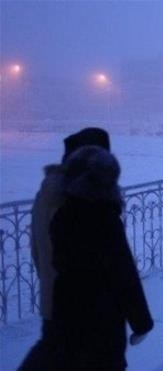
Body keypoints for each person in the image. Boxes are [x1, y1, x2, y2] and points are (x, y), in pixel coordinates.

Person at [48, 144, 153, 370]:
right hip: (103, 320)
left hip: (67, 316)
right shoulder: (105, 220)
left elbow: (57, 263)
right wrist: (141, 322)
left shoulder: (62, 216)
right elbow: (124, 274)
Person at [20, 127, 112, 370]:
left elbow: (37, 249)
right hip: (79, 304)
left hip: (56, 299)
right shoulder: (78, 198)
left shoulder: (48, 191)